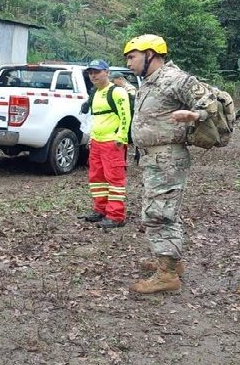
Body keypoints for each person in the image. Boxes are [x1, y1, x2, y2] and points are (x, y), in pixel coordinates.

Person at [123, 34, 215, 295]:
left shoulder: (174, 79)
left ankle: (167, 274)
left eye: (132, 57)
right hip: (153, 157)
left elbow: (209, 100)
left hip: (167, 158)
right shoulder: (149, 82)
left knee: (159, 213)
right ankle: (170, 260)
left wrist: (196, 114)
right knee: (159, 210)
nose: (129, 63)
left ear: (151, 54)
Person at [81, 60, 131, 229]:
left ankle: (116, 216)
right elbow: (95, 118)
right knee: (97, 179)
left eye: (97, 72)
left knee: (114, 179)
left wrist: (121, 138)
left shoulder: (117, 92)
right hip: (97, 142)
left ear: (107, 72)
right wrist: (91, 138)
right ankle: (100, 210)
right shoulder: (95, 93)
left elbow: (126, 116)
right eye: (90, 72)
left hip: (112, 143)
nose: (93, 75)